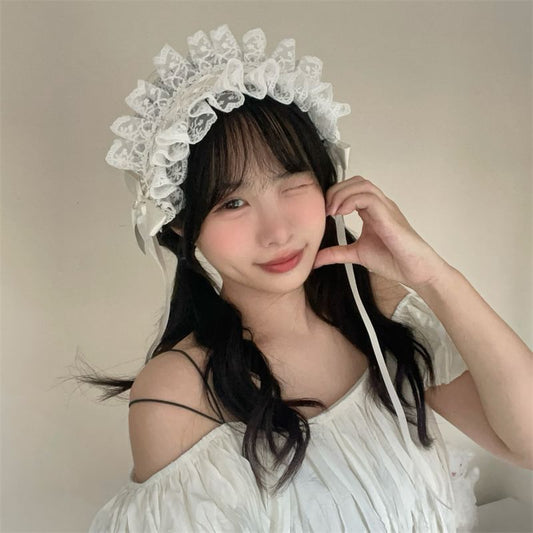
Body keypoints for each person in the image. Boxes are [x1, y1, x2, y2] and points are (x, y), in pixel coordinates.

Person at [82, 24, 532, 532]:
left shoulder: (377, 308)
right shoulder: (179, 391)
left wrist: (433, 276)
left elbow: (527, 443)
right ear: (183, 224)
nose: (277, 232)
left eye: (291, 183)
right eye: (233, 203)